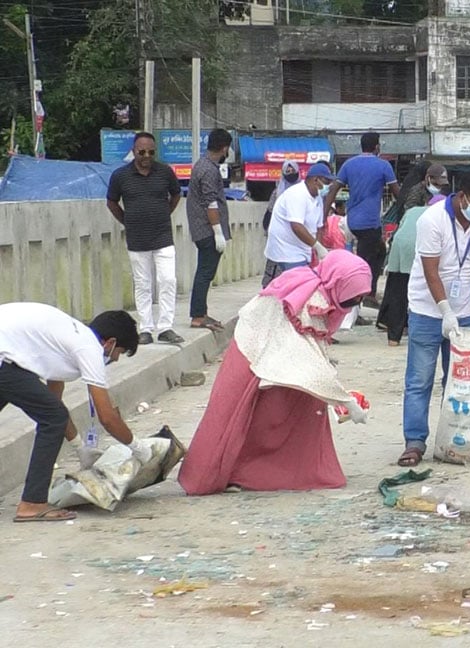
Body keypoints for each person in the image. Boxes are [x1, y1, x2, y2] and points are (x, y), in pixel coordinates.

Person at [178, 251, 372, 495]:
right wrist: (345, 401)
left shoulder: (312, 284)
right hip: (254, 353)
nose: (353, 305)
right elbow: (307, 360)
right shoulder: (310, 300)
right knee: (241, 417)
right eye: (352, 299)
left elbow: (308, 348)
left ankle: (262, 473)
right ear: (337, 284)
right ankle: (231, 473)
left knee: (281, 415)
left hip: (274, 355)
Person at [0, 303, 151, 522]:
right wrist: (139, 448)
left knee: (53, 414)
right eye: (118, 353)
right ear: (110, 343)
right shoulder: (88, 347)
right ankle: (32, 503)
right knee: (53, 417)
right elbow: (106, 417)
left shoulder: (66, 338)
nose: (115, 359)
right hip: (5, 358)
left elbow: (54, 401)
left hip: (6, 354)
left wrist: (80, 447)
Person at [398, 171, 470, 467]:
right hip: (427, 311)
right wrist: (444, 310)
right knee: (419, 380)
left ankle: (452, 442)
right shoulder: (432, 220)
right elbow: (431, 269)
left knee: (460, 383)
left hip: (466, 312)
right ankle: (414, 442)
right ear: (462, 196)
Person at [106, 132, 184, 346]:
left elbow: (176, 195)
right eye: (142, 152)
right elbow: (112, 202)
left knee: (168, 280)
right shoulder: (121, 176)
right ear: (134, 151)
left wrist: (163, 213)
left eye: (151, 152)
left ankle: (166, 327)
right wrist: (127, 221)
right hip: (137, 239)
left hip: (163, 236)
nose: (146, 156)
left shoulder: (165, 172)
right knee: (143, 284)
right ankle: (145, 328)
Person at [323, 132, 400, 306]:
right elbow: (396, 192)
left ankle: (368, 292)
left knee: (378, 251)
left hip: (352, 220)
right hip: (369, 222)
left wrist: (324, 216)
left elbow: (333, 190)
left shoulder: (349, 164)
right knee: (366, 260)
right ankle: (360, 297)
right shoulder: (383, 165)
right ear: (377, 147)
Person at [378, 191, 448, 347]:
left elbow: (401, 228)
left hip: (398, 249)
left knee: (398, 293)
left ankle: (393, 338)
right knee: (421, 291)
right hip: (416, 250)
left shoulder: (412, 211)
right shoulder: (440, 216)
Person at [186, 128, 233, 331]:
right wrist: (218, 233)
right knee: (205, 272)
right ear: (224, 148)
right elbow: (210, 203)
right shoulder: (208, 169)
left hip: (203, 228)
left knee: (205, 271)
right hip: (206, 230)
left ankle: (201, 312)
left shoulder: (203, 165)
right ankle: (198, 315)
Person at [262, 162, 335, 288]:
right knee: (299, 286)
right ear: (316, 180)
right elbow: (296, 226)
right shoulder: (297, 194)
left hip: (302, 249)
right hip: (286, 249)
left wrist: (319, 253)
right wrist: (317, 246)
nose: (329, 186)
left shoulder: (317, 199)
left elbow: (318, 228)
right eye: (327, 182)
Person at [262, 160, 301, 232]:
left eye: (293, 171)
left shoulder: (303, 190)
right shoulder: (277, 192)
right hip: (281, 228)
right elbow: (270, 211)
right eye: (288, 171)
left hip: (299, 229)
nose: (291, 173)